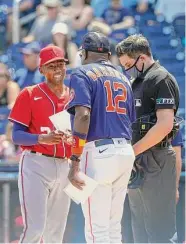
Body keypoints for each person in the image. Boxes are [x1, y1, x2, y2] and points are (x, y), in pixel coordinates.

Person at [66, 32, 136, 243]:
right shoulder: (124, 78)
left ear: (85, 53)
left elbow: (83, 115)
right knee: (114, 228)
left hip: (98, 153)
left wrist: (75, 160)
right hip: (124, 151)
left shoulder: (81, 73)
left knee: (97, 230)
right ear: (107, 54)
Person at [116, 34, 180, 243]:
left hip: (157, 159)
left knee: (159, 230)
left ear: (141, 58)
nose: (125, 70)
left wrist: (131, 152)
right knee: (140, 229)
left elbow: (164, 125)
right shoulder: (136, 82)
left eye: (128, 64)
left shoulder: (162, 78)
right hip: (137, 162)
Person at [8, 45, 71, 243]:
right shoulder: (29, 93)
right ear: (41, 69)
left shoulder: (74, 96)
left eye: (61, 64)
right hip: (36, 163)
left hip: (64, 164)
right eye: (52, 65)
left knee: (56, 233)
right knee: (35, 229)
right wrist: (40, 138)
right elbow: (16, 136)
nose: (58, 69)